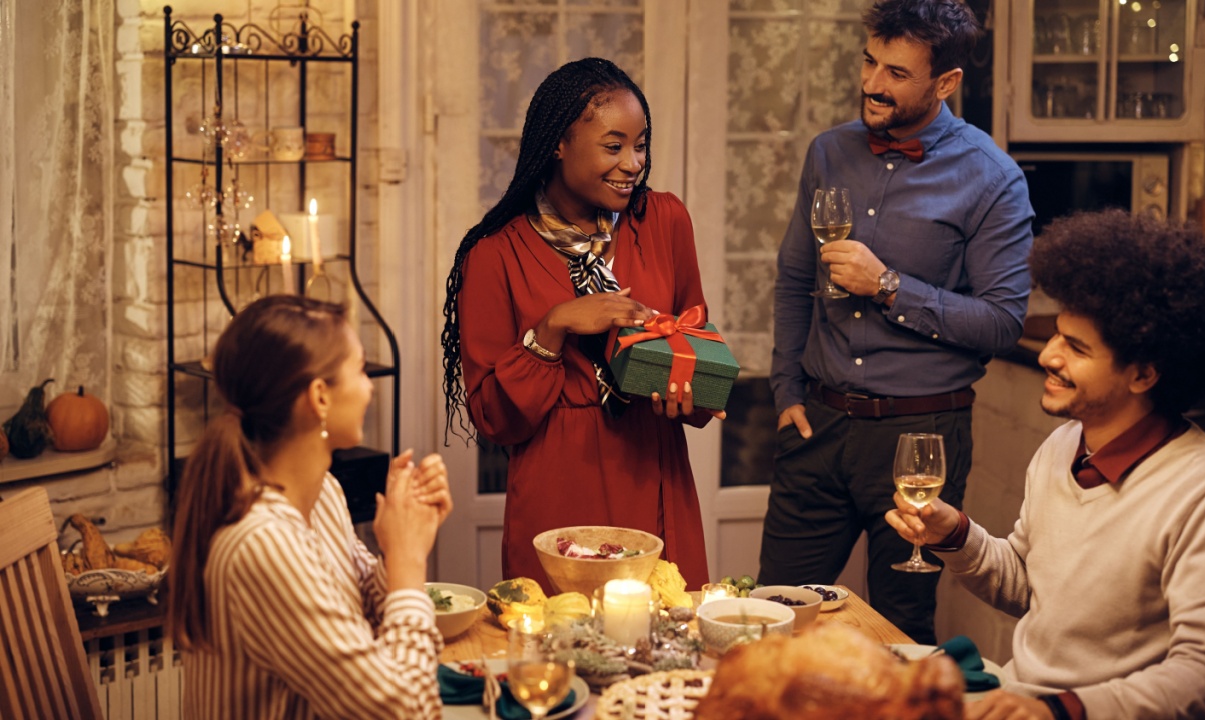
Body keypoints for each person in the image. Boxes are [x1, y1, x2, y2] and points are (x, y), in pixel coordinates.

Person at [887, 209, 1205, 720]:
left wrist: (1062, 710)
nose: (1048, 356)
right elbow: (1028, 586)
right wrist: (955, 534)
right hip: (1026, 699)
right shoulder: (1064, 446)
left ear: (1144, 374)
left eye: (1076, 347)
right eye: (1057, 336)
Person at [761, 0, 1034, 644]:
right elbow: (795, 279)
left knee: (899, 629)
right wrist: (784, 393)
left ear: (946, 83)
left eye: (897, 73)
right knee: (774, 618)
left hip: (920, 440)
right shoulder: (829, 152)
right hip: (816, 428)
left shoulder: (993, 178)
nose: (873, 84)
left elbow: (1003, 323)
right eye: (869, 61)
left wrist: (889, 286)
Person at [441, 57, 717, 589]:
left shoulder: (664, 220)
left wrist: (690, 390)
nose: (633, 163)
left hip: (654, 470)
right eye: (614, 146)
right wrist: (553, 328)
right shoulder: (493, 255)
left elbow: (696, 345)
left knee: (666, 653)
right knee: (561, 654)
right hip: (558, 489)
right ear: (558, 145)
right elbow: (494, 420)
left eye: (640, 145)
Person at [168, 295, 454, 720]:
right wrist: (409, 562)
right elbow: (406, 710)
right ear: (320, 397)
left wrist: (399, 534)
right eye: (359, 369)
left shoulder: (322, 496)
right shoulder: (263, 543)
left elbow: (359, 606)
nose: (371, 385)